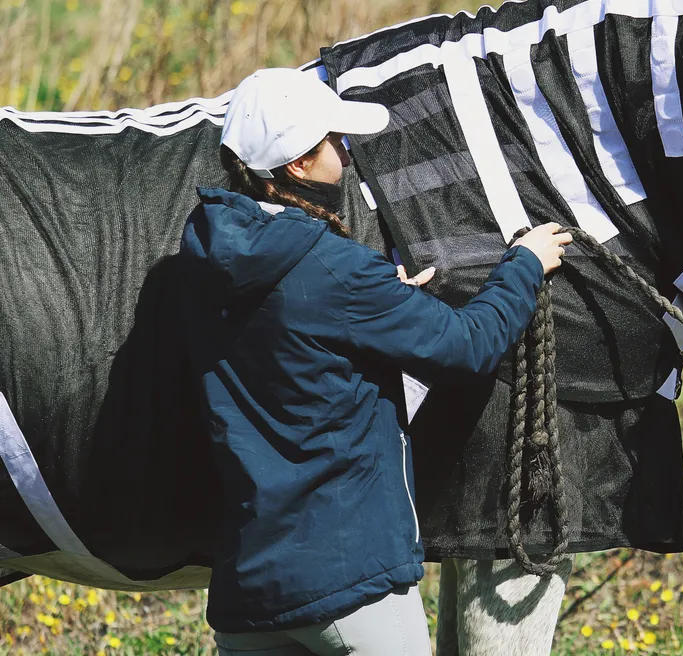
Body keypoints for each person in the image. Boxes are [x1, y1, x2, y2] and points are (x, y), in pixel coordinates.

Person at [176, 68, 571, 656]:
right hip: (348, 583)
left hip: (248, 592)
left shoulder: (203, 258)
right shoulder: (337, 270)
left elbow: (294, 334)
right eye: (335, 142)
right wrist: (525, 265)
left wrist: (382, 301)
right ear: (299, 165)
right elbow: (470, 345)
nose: (347, 152)